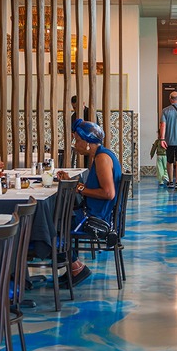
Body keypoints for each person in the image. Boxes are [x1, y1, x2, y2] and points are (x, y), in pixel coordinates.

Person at [52, 118, 121, 287]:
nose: (75, 144)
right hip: (97, 214)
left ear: (88, 142)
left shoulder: (102, 159)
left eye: (77, 140)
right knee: (59, 219)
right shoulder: (101, 155)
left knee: (51, 225)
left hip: (96, 219)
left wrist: (79, 189)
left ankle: (75, 267)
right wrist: (75, 184)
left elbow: (108, 192)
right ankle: (72, 267)